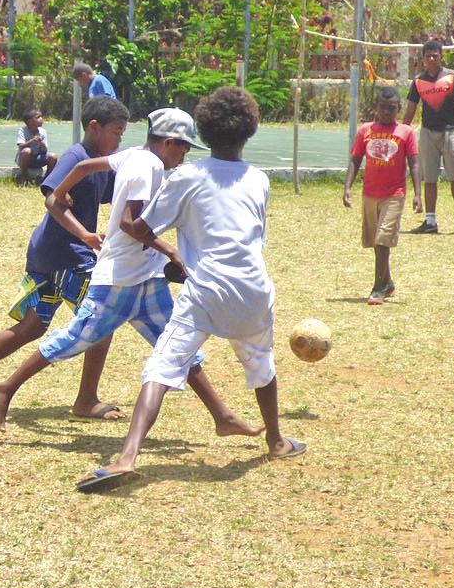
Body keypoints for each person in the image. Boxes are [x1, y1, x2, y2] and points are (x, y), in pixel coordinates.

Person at [0, 107, 261, 444]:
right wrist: (170, 251)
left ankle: (222, 416)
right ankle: (6, 388)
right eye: (185, 148)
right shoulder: (150, 166)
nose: (185, 155)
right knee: (75, 339)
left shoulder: (132, 155)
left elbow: (85, 166)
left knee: (177, 346)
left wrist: (60, 193)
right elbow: (131, 225)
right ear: (170, 143)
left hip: (147, 280)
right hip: (118, 279)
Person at [79, 87, 304, 492]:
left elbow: (143, 227)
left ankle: (127, 457)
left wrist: (170, 250)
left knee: (162, 366)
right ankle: (276, 441)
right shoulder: (258, 179)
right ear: (248, 132)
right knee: (260, 363)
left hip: (206, 291)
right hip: (254, 288)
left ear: (203, 130)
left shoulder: (187, 176)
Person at [0, 97, 130, 418]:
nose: (120, 140)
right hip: (66, 254)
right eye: (117, 132)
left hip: (47, 254)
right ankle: (86, 400)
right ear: (94, 127)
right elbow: (53, 198)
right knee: (102, 320)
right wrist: (84, 234)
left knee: (33, 325)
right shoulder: (76, 156)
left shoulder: (97, 162)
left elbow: (118, 193)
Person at [345, 85, 419, 305]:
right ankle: (388, 283)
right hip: (370, 194)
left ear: (399, 108)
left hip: (394, 194)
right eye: (383, 108)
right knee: (374, 242)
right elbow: (356, 159)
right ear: (376, 108)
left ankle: (377, 288)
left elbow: (414, 162)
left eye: (392, 108)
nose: (387, 112)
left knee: (383, 238)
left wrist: (417, 194)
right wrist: (348, 187)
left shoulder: (406, 133)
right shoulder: (364, 131)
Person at [401, 37, 454, 234]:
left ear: (441, 56)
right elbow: (410, 110)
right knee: (429, 177)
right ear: (423, 59)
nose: (432, 59)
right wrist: (400, 135)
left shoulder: (452, 77)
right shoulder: (418, 82)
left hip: (451, 132)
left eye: (435, 56)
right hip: (428, 133)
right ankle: (430, 221)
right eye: (428, 57)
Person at [15, 108, 58, 184]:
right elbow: (21, 146)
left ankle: (46, 180)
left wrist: (42, 144)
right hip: (24, 159)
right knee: (27, 150)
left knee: (53, 156)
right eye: (38, 117)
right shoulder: (22, 130)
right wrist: (32, 140)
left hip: (37, 158)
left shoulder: (42, 132)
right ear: (29, 121)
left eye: (41, 117)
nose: (41, 119)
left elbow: (44, 151)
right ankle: (24, 177)